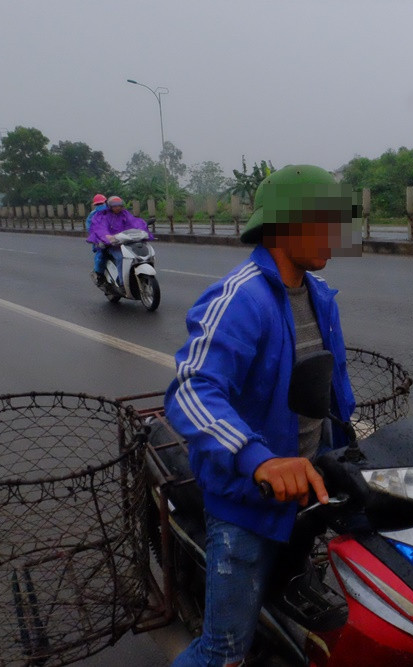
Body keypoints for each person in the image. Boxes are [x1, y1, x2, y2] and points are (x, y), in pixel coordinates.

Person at [164, 164, 362, 666]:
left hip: (307, 491)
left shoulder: (319, 296)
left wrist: (351, 445)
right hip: (247, 504)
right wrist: (260, 459)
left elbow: (328, 388)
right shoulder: (241, 296)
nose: (335, 237)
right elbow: (192, 387)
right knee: (226, 651)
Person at [86, 195, 152, 285]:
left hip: (125, 241)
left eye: (119, 206)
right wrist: (106, 237)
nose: (117, 208)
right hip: (111, 243)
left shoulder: (125, 214)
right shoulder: (102, 216)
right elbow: (99, 228)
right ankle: (122, 282)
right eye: (114, 206)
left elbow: (134, 222)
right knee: (118, 257)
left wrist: (142, 229)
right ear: (109, 206)